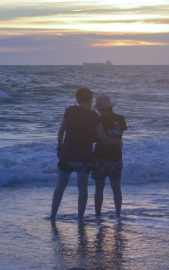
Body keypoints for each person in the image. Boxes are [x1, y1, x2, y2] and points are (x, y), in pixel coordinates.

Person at [50, 88, 122, 221]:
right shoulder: (95, 116)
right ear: (90, 100)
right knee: (82, 187)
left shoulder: (69, 111)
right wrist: (117, 142)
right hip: (84, 158)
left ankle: (53, 216)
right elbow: (103, 137)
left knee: (60, 186)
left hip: (67, 155)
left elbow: (61, 132)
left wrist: (60, 147)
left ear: (77, 99)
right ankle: (80, 218)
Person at [92, 95, 127, 218]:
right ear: (110, 106)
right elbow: (120, 134)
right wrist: (117, 142)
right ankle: (118, 214)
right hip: (116, 157)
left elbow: (94, 139)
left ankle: (98, 215)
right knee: (116, 188)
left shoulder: (97, 120)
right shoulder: (120, 118)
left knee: (99, 189)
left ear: (100, 109)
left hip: (99, 157)